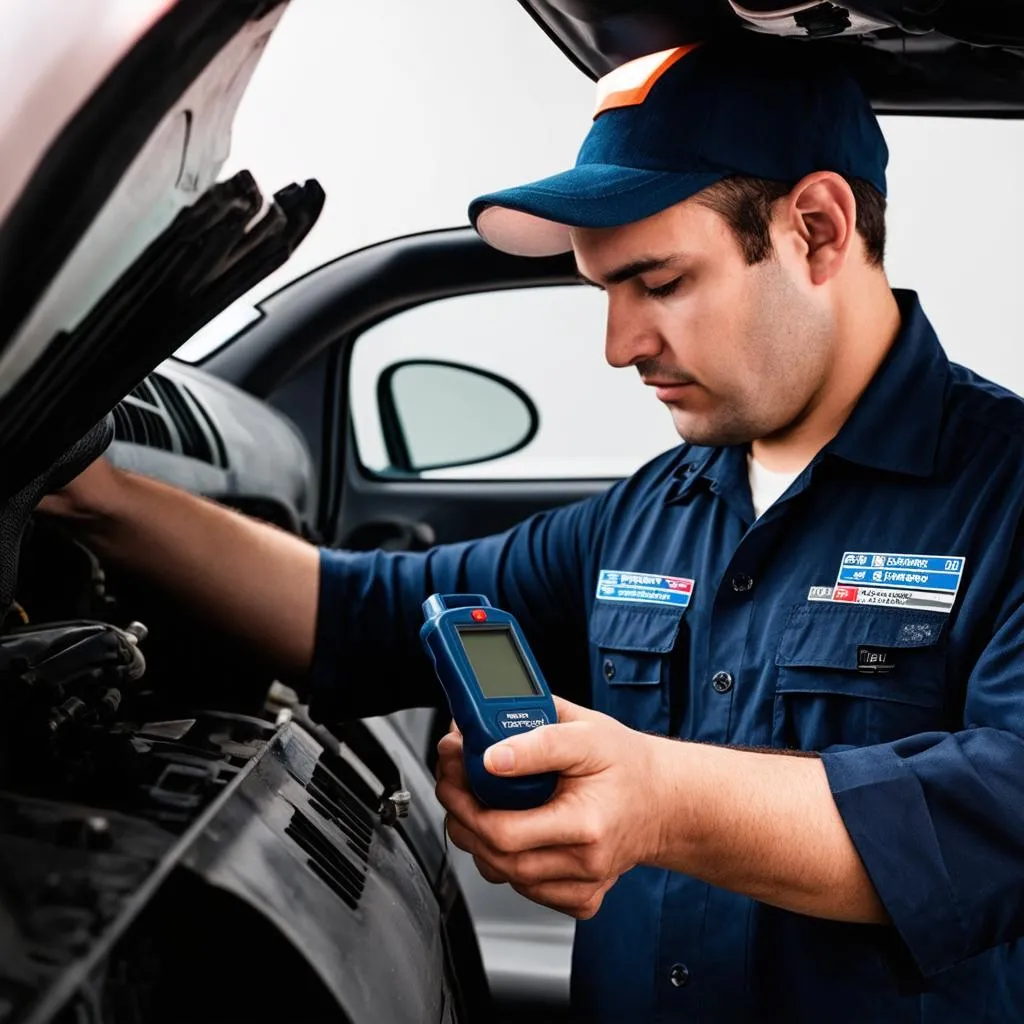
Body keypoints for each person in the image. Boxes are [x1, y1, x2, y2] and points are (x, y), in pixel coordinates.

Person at [40, 39, 1024, 1023]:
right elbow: (358, 612)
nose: (618, 344)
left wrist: (660, 798)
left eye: (660, 282)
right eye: (604, 292)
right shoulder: (648, 513)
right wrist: (97, 494)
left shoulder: (1005, 491)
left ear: (815, 228)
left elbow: (1004, 802)